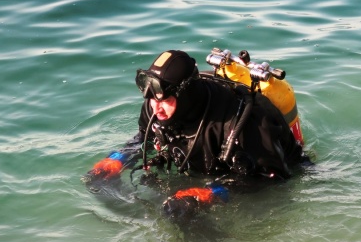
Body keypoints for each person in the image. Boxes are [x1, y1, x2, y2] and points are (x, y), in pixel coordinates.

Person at [83, 49, 307, 224]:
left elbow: (272, 178)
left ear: (186, 97)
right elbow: (145, 137)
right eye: (151, 99)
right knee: (96, 178)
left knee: (179, 212)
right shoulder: (155, 105)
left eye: (164, 101)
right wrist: (120, 157)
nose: (156, 108)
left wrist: (212, 192)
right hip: (198, 167)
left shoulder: (242, 124)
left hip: (254, 173)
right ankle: (137, 225)